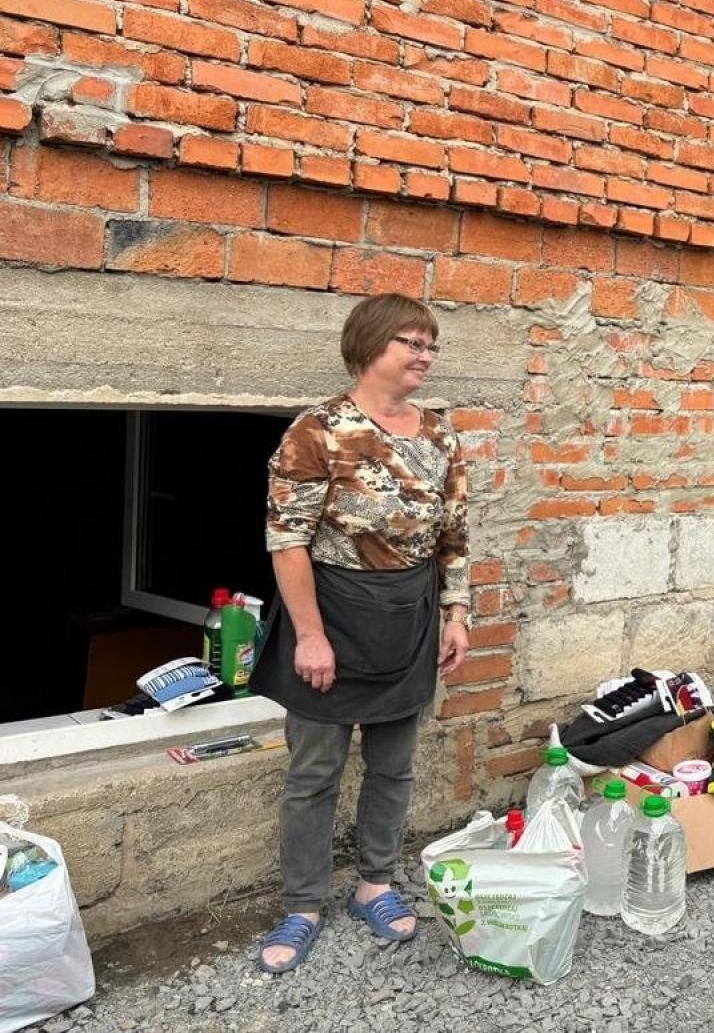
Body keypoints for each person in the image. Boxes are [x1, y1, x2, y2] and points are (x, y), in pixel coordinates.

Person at [252, 293, 471, 974]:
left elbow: (454, 533)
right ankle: (303, 903)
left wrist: (456, 612)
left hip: (408, 615)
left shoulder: (439, 436)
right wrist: (310, 637)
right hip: (333, 614)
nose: (425, 355)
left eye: (430, 343)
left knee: (394, 764)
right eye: (412, 341)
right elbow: (287, 542)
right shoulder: (317, 431)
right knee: (313, 771)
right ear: (370, 344)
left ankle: (374, 884)